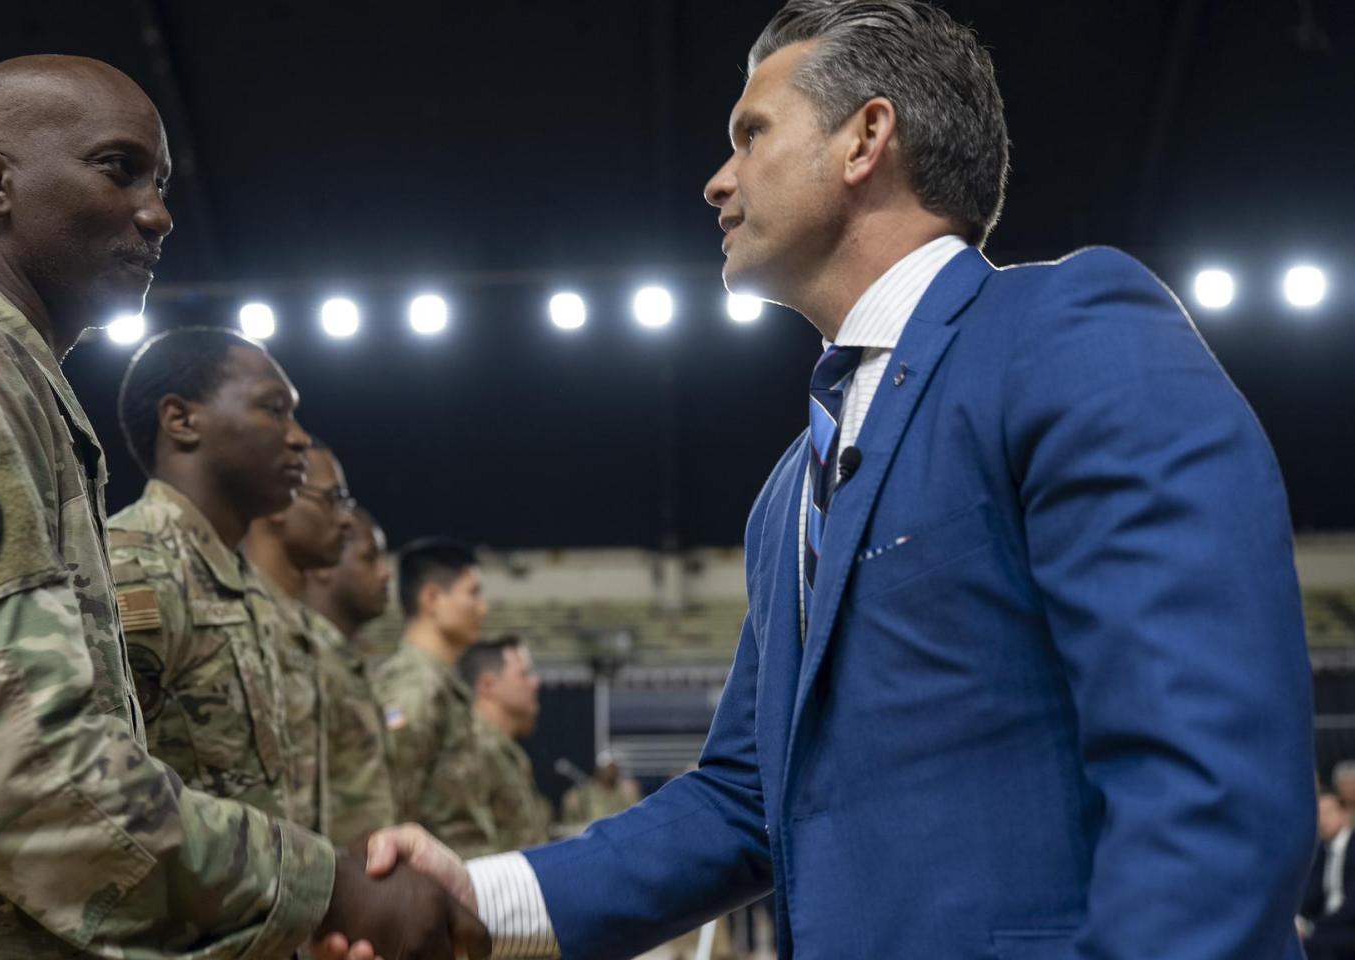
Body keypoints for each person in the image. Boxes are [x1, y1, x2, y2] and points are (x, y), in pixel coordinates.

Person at [352, 3, 1315, 957]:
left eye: (751, 133)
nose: (716, 181)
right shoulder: (787, 494)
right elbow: (743, 800)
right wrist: (480, 894)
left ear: (866, 138)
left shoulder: (1064, 330)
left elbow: (1209, 774)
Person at [0, 54, 483, 960]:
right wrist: (320, 889)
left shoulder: (13, 391)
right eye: (117, 168)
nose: (157, 213)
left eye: (160, 182)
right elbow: (11, 770)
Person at [106, 326, 313, 826]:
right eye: (274, 409)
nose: (300, 438)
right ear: (181, 420)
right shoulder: (130, 567)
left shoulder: (243, 583)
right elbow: (95, 800)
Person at [246, 443, 397, 845]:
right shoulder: (247, 626)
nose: (346, 521)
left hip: (331, 882)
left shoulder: (312, 642)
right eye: (333, 500)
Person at [371, 538, 497, 856]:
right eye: (472, 593)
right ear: (432, 599)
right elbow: (393, 809)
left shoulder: (440, 685)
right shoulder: (415, 686)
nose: (483, 608)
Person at [459, 636, 553, 852]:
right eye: (524, 674)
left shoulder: (508, 753)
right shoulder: (469, 750)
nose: (535, 682)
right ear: (488, 685)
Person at [305, 507, 395, 663]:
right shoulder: (305, 655)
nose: (385, 573)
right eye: (369, 558)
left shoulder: (342, 657)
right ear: (324, 565)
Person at [1302, 791, 1355, 959]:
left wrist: (1311, 926)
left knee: (1314, 944)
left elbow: (1351, 909)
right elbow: (1311, 895)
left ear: (1344, 813)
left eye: (1327, 813)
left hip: (1347, 927)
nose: (1322, 821)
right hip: (1326, 924)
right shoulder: (1322, 851)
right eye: (1318, 815)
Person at [558, 751, 641, 830]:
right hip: (594, 835)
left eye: (614, 768)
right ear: (598, 770)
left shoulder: (625, 790)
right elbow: (571, 815)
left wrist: (632, 795)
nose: (611, 772)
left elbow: (635, 816)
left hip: (618, 834)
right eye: (607, 768)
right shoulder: (586, 791)